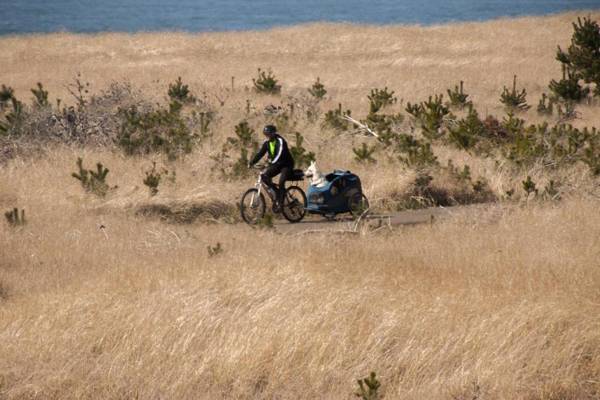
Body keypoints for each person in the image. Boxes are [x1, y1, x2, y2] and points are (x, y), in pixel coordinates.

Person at [248, 125, 295, 212]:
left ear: (274, 133)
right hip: (277, 164)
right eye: (266, 134)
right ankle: (277, 193)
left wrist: (270, 163)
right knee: (264, 176)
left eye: (269, 134)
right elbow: (260, 153)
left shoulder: (280, 141)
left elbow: (279, 154)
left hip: (286, 164)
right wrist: (252, 162)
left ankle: (281, 203)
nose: (267, 136)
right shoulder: (267, 143)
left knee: (281, 181)